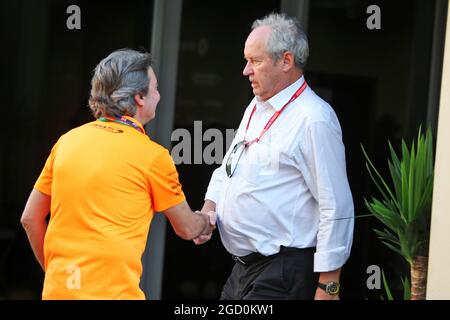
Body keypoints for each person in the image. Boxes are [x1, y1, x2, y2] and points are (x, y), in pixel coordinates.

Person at [20, 49, 215, 300]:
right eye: (155, 88)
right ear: (139, 97)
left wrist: (57, 274)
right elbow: (187, 228)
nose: (159, 95)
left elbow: (30, 218)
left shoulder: (66, 142)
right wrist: (206, 221)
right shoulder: (152, 156)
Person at [196, 13, 354, 300]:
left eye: (255, 61)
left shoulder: (314, 118)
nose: (246, 70)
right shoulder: (257, 106)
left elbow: (337, 205)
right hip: (243, 270)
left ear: (286, 61)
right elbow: (228, 169)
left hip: (284, 272)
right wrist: (210, 211)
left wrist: (329, 288)